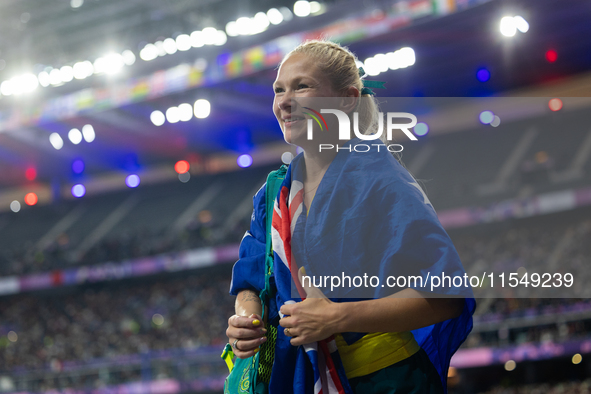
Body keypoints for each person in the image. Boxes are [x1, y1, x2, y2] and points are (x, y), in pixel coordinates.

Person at [226, 40, 475, 394]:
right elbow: (252, 279)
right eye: (279, 89)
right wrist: (245, 318)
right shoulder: (274, 192)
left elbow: (445, 296)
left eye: (302, 86)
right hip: (299, 379)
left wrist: (338, 317)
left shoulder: (381, 181)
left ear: (347, 99)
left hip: (383, 383)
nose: (284, 101)